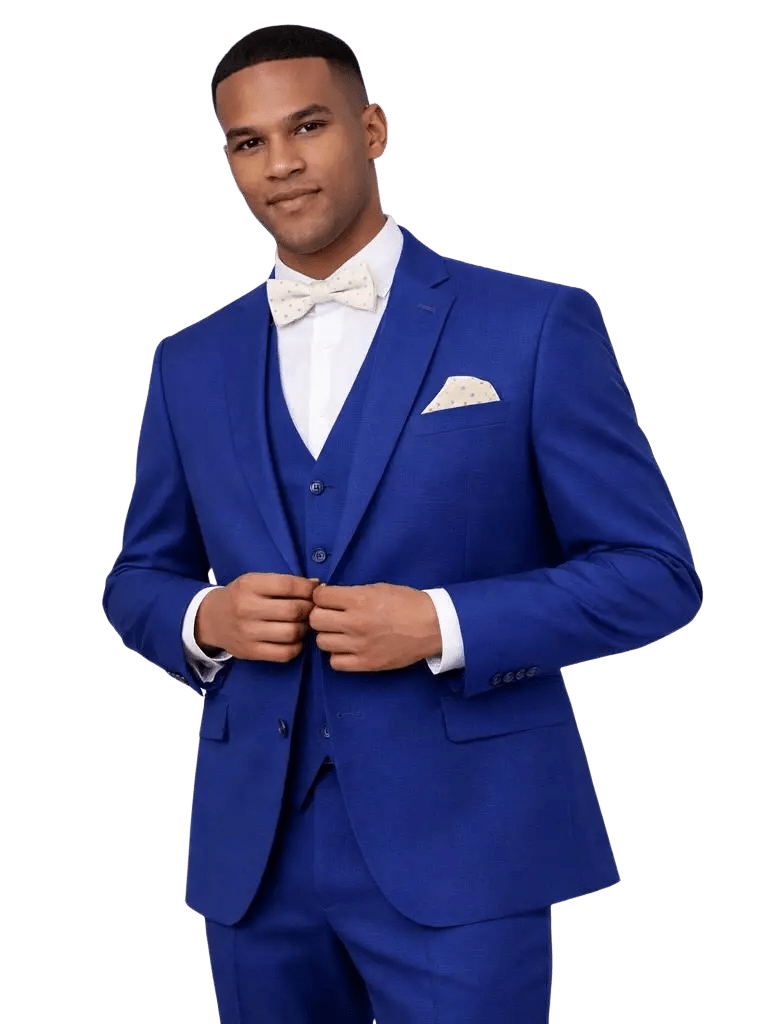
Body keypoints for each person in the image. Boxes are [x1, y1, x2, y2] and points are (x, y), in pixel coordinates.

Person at [101, 22, 703, 1024]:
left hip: (469, 848)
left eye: (308, 126)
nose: (280, 163)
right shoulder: (187, 361)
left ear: (371, 128)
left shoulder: (532, 324)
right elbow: (137, 576)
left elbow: (653, 572)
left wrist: (440, 623)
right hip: (255, 860)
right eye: (248, 142)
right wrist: (206, 618)